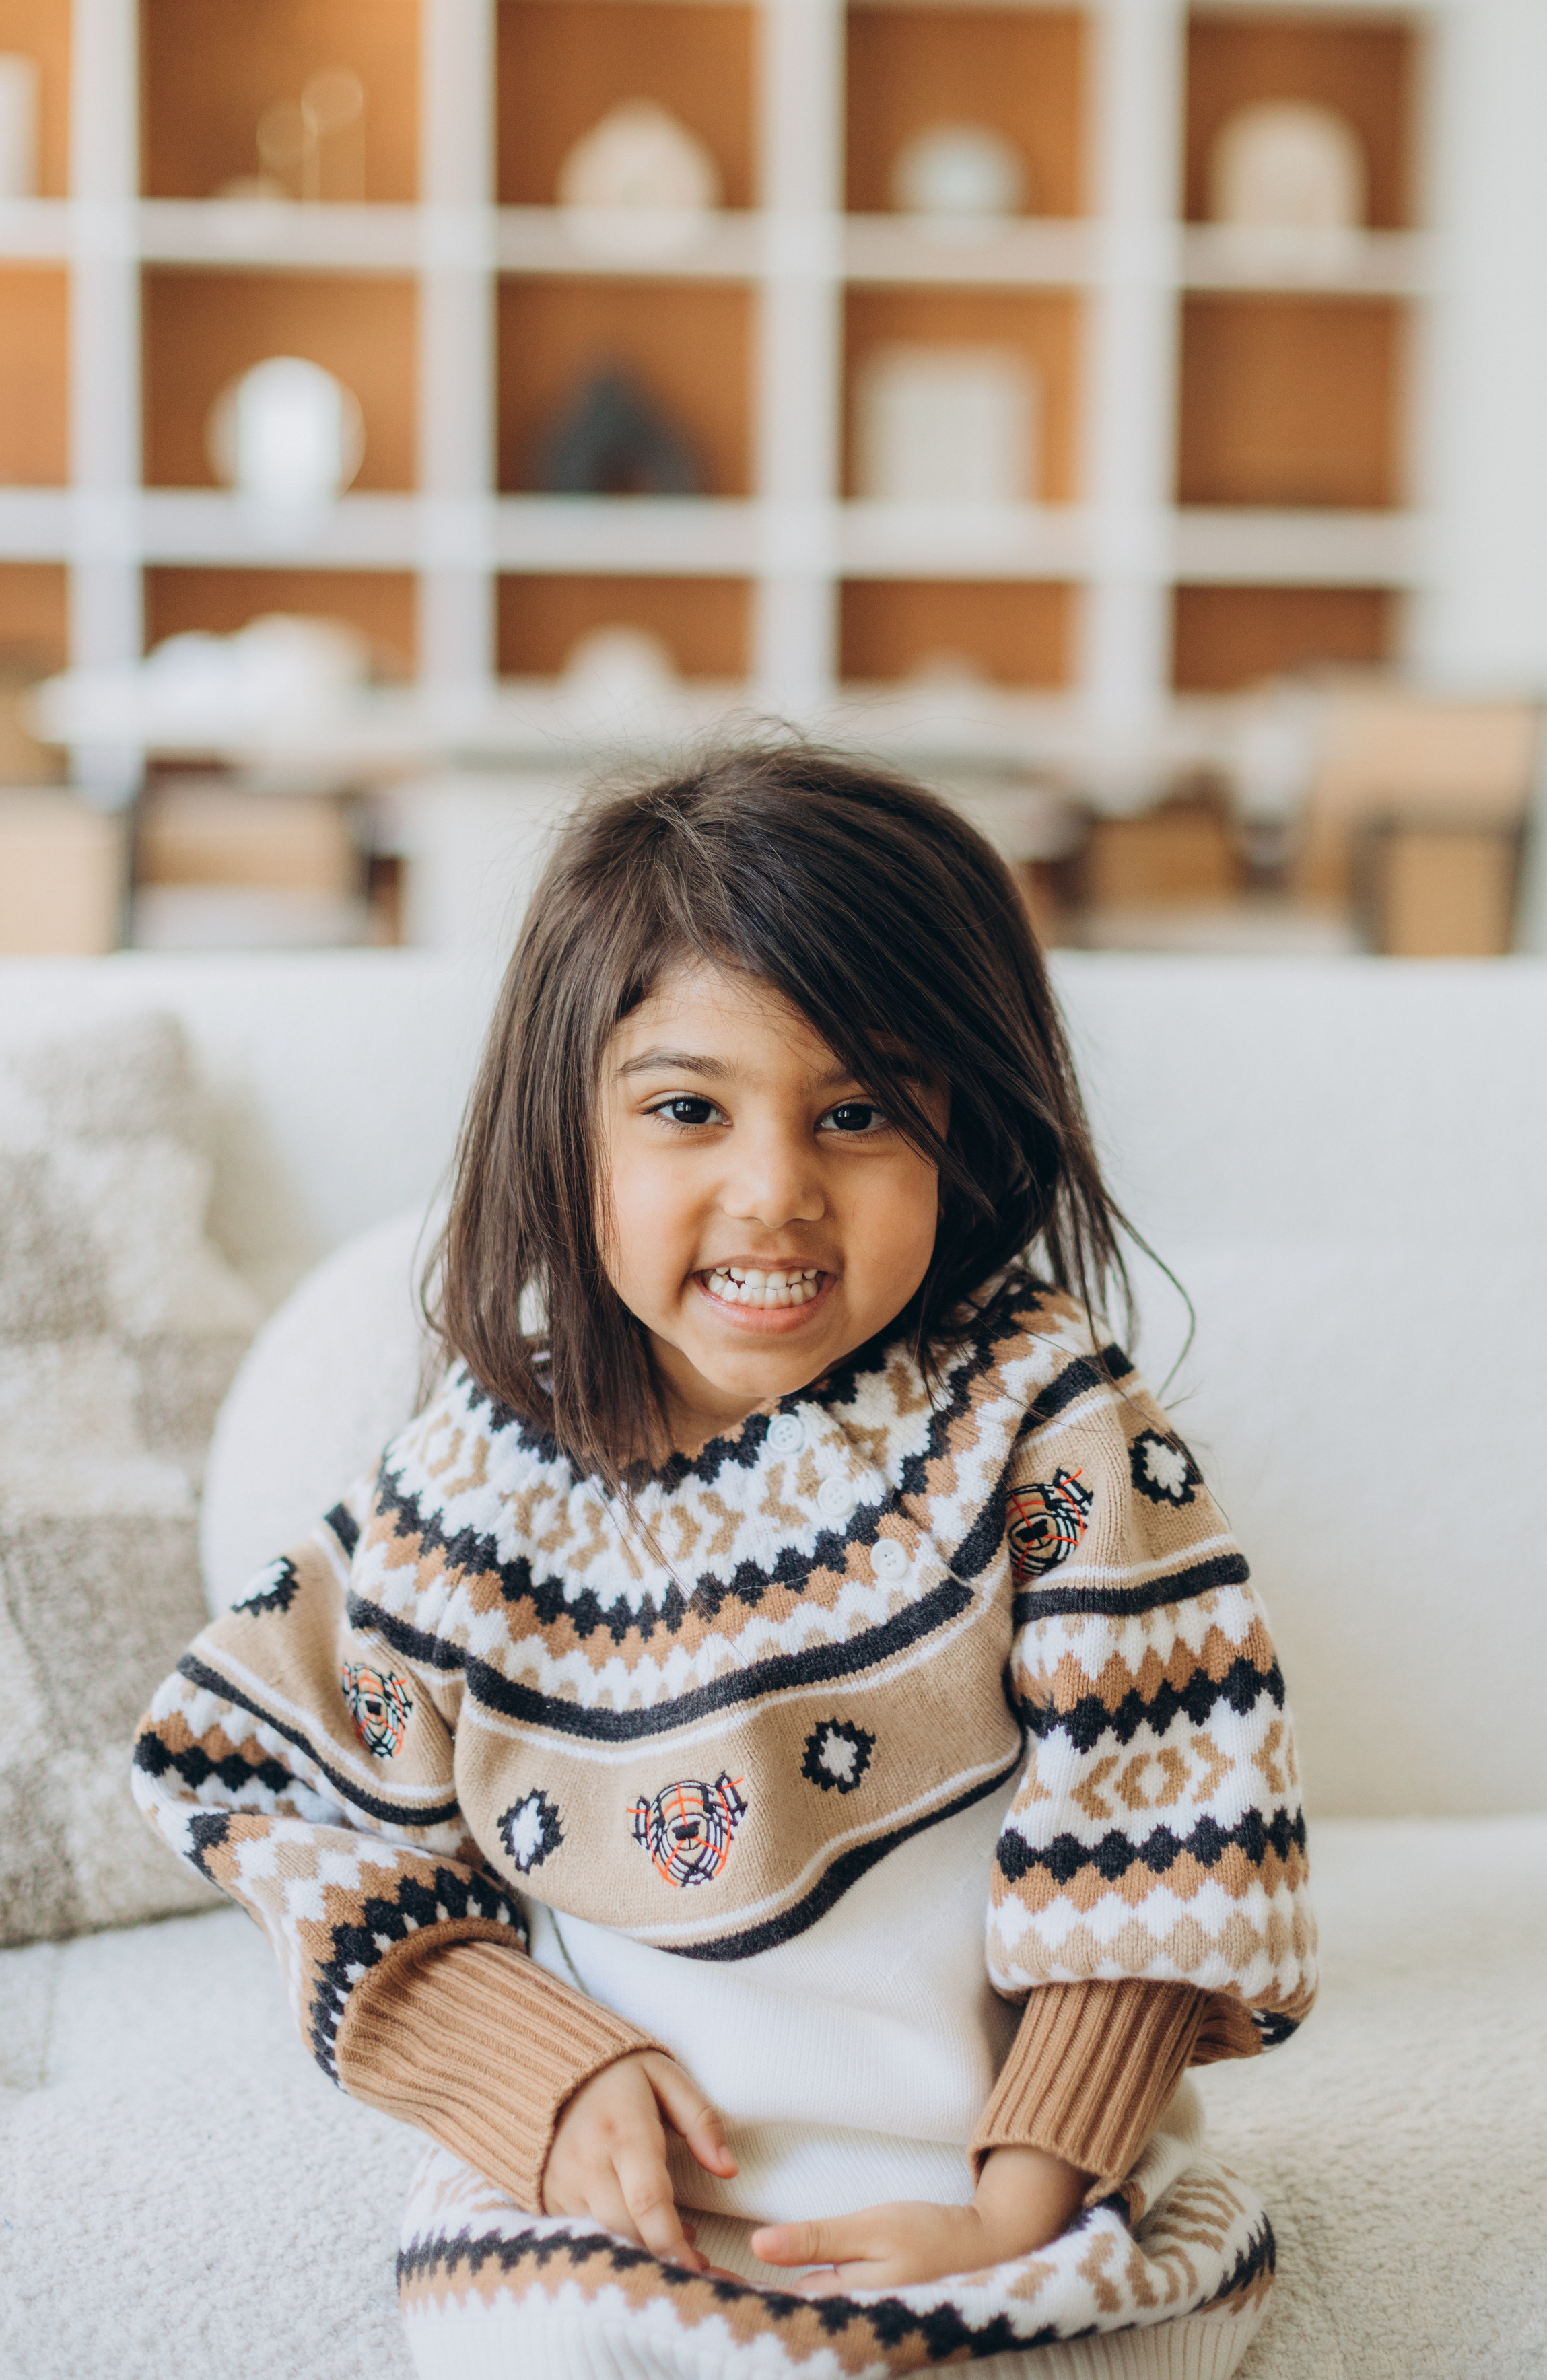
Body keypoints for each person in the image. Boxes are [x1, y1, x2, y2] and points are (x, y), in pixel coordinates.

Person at [134, 740, 1316, 2380]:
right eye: (687, 1109)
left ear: (964, 1130)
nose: (775, 1194)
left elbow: (1166, 1818)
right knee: (530, 2346)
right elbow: (239, 1767)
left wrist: (1021, 2201)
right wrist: (526, 2069)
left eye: (858, 1114)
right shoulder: (476, 1488)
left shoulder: (1043, 1424)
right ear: (572, 1132)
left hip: (1015, 2181)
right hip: (616, 2213)